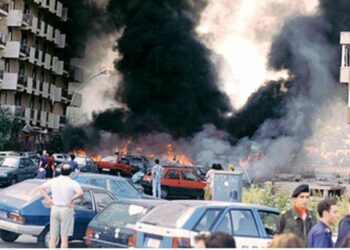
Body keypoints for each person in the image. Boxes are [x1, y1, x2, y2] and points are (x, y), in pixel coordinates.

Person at [39, 164, 83, 248]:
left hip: (55, 207)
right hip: (66, 209)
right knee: (64, 237)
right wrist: (71, 199)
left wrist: (49, 199)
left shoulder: (54, 180)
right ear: (71, 172)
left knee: (53, 236)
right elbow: (80, 193)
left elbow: (41, 188)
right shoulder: (72, 182)